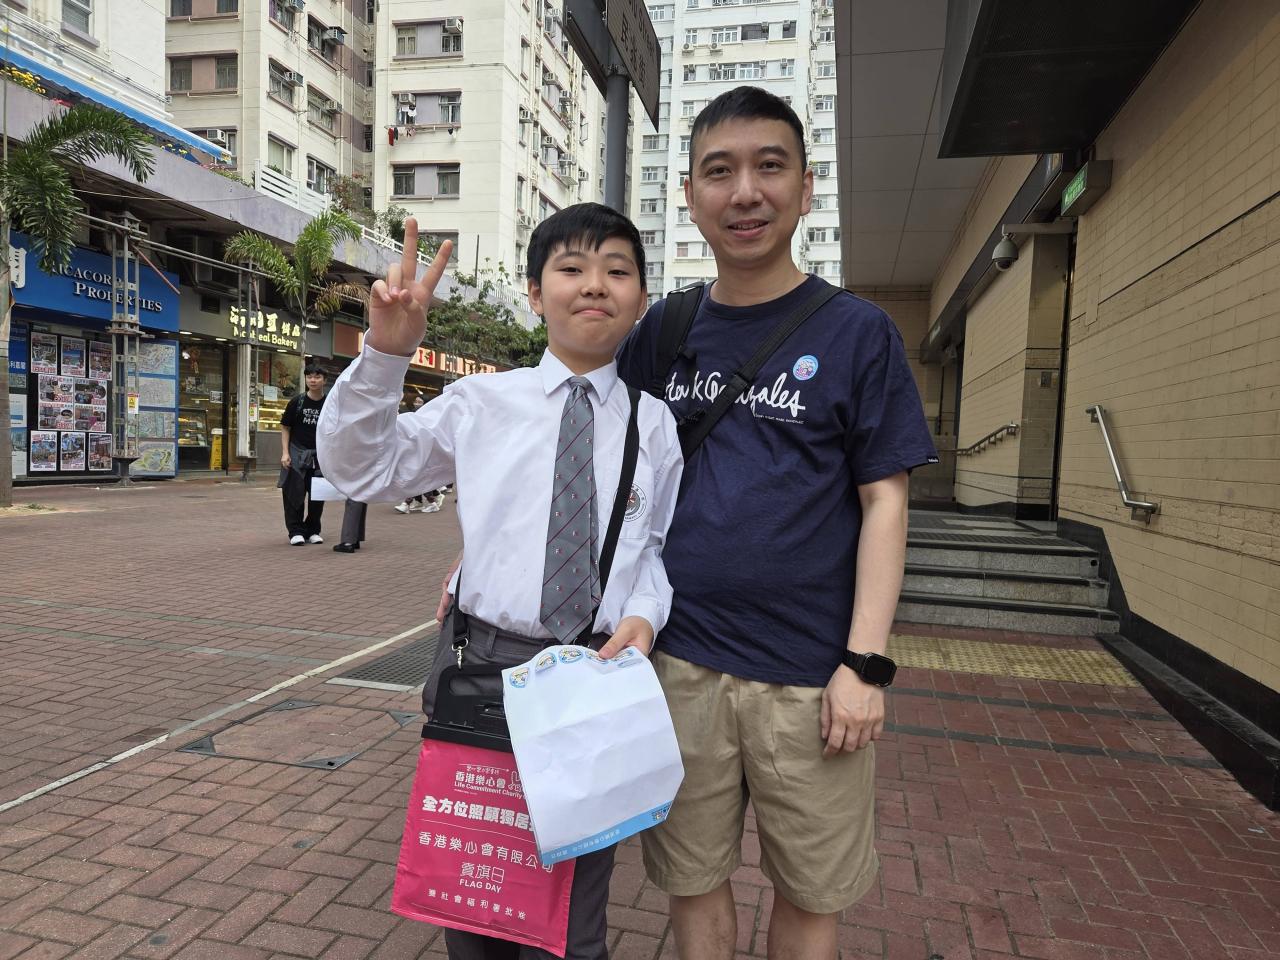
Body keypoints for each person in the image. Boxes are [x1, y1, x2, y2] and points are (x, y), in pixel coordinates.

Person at [611, 87, 939, 960]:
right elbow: (599, 463)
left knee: (811, 894)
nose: (745, 192)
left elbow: (885, 501)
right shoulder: (663, 331)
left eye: (769, 167)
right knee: (690, 880)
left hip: (811, 682)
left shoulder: (859, 332)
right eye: (720, 172)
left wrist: (864, 665)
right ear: (690, 194)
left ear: (805, 186)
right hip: (678, 666)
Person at [318, 203, 683, 960]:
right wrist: (385, 356)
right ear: (535, 293)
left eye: (617, 271)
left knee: (573, 920)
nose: (595, 285)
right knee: (476, 899)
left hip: (592, 677)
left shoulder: (654, 424)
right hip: (483, 665)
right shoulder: (481, 402)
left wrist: (646, 613)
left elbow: (653, 547)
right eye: (572, 268)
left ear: (641, 300)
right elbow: (363, 469)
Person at [278, 364, 328, 546]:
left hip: (320, 456)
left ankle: (313, 530)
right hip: (296, 453)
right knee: (294, 493)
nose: (313, 380)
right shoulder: (297, 402)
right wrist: (285, 453)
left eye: (317, 377)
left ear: (324, 380)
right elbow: (285, 427)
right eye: (309, 377)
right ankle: (296, 531)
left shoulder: (329, 404)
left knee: (318, 494)